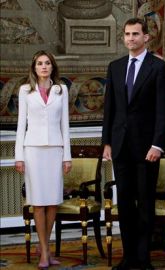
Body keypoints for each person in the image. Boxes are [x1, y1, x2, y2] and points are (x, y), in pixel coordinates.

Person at [101, 18, 165, 270]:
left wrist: (158, 145)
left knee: (145, 204)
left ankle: (143, 258)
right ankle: (128, 256)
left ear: (146, 37)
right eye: (127, 34)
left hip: (146, 149)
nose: (131, 38)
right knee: (126, 205)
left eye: (135, 34)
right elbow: (110, 108)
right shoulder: (115, 67)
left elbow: (164, 110)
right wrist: (106, 142)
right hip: (120, 146)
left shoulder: (158, 68)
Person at [14, 50, 72, 269]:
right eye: (40, 63)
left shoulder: (61, 90)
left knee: (53, 203)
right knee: (38, 203)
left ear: (52, 67)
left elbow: (65, 126)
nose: (44, 67)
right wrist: (19, 156)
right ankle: (45, 252)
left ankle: (44, 247)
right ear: (34, 67)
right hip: (33, 152)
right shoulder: (25, 91)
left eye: (47, 63)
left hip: (55, 151)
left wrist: (67, 156)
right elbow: (21, 126)